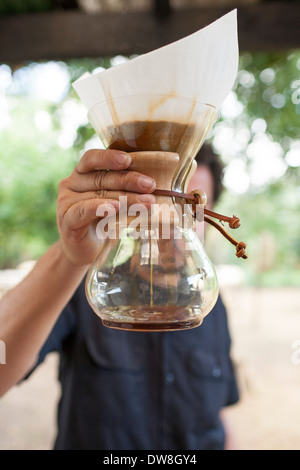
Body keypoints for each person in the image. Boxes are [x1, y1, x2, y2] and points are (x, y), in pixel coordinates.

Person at [0, 144, 238, 450]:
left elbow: (218, 419)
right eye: (157, 206)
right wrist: (70, 257)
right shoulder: (87, 289)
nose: (169, 227)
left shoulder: (212, 308)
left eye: (189, 209)